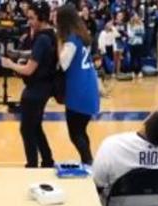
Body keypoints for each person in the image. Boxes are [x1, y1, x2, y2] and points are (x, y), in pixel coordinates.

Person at [1, 1, 57, 168]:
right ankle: (47, 160)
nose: (29, 22)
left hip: (36, 90)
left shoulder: (42, 39)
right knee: (36, 127)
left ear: (42, 18)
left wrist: (9, 64)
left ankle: (32, 165)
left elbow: (29, 70)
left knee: (26, 129)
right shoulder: (51, 34)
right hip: (45, 87)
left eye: (32, 18)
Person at [56, 4, 99, 165]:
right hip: (88, 86)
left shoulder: (71, 39)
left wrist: (59, 41)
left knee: (75, 133)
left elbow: (64, 63)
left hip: (78, 90)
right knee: (81, 131)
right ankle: (88, 161)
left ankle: (88, 162)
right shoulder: (83, 35)